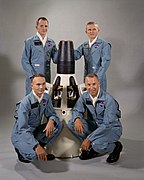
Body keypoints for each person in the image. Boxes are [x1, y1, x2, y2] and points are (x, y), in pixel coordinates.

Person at [68, 73, 123, 163]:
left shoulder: (108, 100)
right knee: (71, 123)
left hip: (111, 129)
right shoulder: (85, 96)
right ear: (85, 85)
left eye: (94, 84)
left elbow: (107, 124)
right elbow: (76, 110)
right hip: (97, 126)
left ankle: (115, 147)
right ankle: (90, 147)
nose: (91, 87)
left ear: (99, 84)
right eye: (89, 85)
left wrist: (89, 138)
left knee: (97, 144)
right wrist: (76, 119)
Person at [11, 74, 63, 163]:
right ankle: (20, 149)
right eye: (38, 84)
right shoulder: (24, 104)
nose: (41, 87)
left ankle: (41, 148)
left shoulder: (46, 98)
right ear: (31, 85)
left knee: (58, 125)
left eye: (43, 84)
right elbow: (23, 129)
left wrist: (51, 120)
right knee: (33, 156)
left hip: (35, 130)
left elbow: (52, 114)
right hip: (22, 135)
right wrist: (36, 146)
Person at [21, 17, 58, 95]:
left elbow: (55, 60)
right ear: (36, 27)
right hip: (33, 78)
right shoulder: (29, 42)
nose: (44, 28)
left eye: (46, 26)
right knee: (32, 101)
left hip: (46, 78)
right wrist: (32, 76)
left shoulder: (51, 43)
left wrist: (61, 50)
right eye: (41, 26)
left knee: (45, 100)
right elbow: (24, 61)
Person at [74, 21, 111, 91]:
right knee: (87, 99)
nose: (92, 32)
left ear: (98, 31)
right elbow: (76, 55)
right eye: (89, 30)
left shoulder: (104, 45)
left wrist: (96, 78)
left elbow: (105, 64)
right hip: (87, 78)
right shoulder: (85, 45)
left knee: (99, 99)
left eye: (94, 29)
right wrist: (66, 48)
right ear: (86, 32)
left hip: (98, 79)